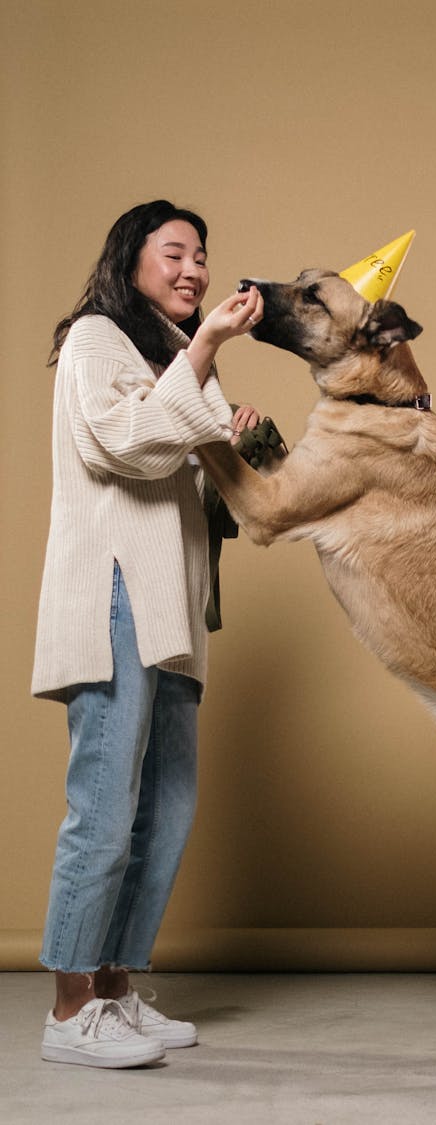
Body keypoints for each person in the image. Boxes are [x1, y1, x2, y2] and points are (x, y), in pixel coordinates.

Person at [31, 199, 263, 1069]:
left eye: (202, 256)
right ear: (132, 259)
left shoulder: (173, 355)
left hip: (172, 606)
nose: (195, 269)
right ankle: (68, 1009)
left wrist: (235, 438)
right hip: (116, 594)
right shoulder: (96, 337)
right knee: (106, 803)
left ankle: (116, 994)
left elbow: (205, 495)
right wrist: (205, 351)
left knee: (166, 807)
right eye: (175, 253)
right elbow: (124, 445)